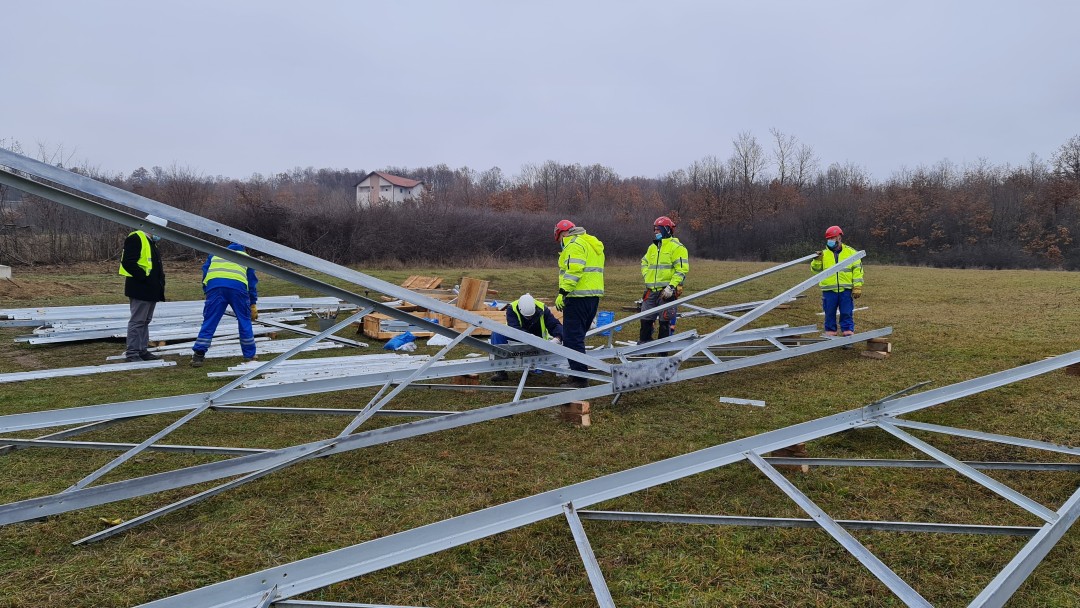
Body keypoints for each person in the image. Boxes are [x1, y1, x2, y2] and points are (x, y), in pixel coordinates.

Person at [553, 220, 605, 388]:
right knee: (578, 337)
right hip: (592, 297)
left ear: (562, 234)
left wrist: (563, 292)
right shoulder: (591, 244)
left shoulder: (574, 245)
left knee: (572, 339)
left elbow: (574, 271)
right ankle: (578, 374)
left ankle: (579, 379)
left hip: (577, 297)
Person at [190, 243, 259, 367]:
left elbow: (205, 273)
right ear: (244, 248)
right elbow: (252, 283)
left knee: (210, 321)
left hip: (215, 288)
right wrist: (252, 303)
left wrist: (207, 290)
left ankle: (198, 355)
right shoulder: (246, 258)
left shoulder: (215, 254)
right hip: (238, 289)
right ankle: (250, 355)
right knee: (244, 321)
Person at [119, 215, 168, 362]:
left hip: (150, 290)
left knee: (145, 321)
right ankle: (133, 353)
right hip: (141, 288)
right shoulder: (136, 238)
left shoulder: (150, 242)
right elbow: (128, 262)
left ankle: (142, 350)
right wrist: (144, 279)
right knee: (138, 321)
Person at [490, 293, 564, 382]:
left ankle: (535, 366)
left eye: (531, 316)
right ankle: (500, 371)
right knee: (497, 334)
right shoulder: (512, 309)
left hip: (538, 342)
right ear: (520, 310)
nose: (529, 318)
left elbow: (554, 325)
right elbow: (514, 328)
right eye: (527, 317)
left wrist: (558, 337)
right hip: (517, 336)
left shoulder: (542, 309)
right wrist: (529, 337)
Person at [639, 215, 689, 344]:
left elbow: (681, 270)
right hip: (651, 291)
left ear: (666, 230)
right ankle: (643, 347)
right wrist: (646, 275)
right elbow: (644, 262)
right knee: (645, 319)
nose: (655, 232)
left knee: (664, 321)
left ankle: (663, 351)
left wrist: (671, 287)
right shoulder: (653, 247)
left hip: (666, 292)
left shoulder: (677, 247)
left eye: (658, 230)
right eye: (654, 229)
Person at [810, 225, 863, 337]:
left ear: (839, 237)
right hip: (829, 290)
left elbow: (857, 270)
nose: (830, 241)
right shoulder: (823, 254)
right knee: (829, 313)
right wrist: (817, 261)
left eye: (832, 238)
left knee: (846, 312)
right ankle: (830, 334)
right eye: (829, 239)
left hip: (845, 290)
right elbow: (815, 271)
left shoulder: (851, 253)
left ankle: (848, 333)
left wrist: (857, 286)